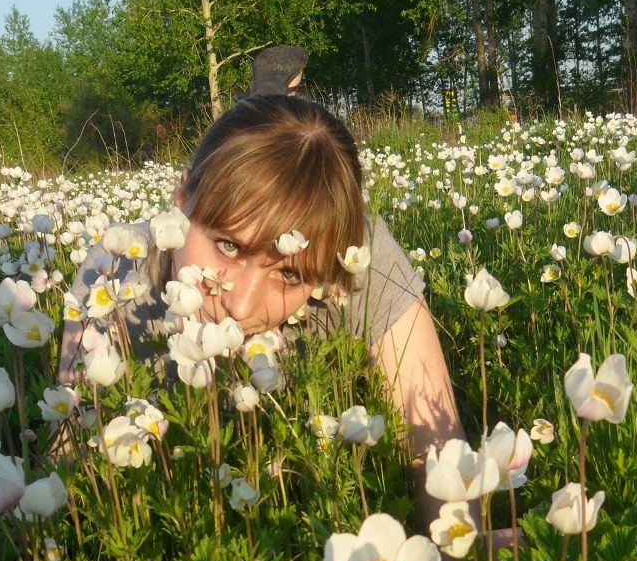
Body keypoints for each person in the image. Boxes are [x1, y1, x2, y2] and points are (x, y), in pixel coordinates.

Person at [59, 94, 465, 528]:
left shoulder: (356, 261)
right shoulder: (115, 272)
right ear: (181, 198)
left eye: (289, 274)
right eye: (228, 246)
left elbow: (434, 444)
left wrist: (463, 558)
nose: (239, 305)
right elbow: (69, 457)